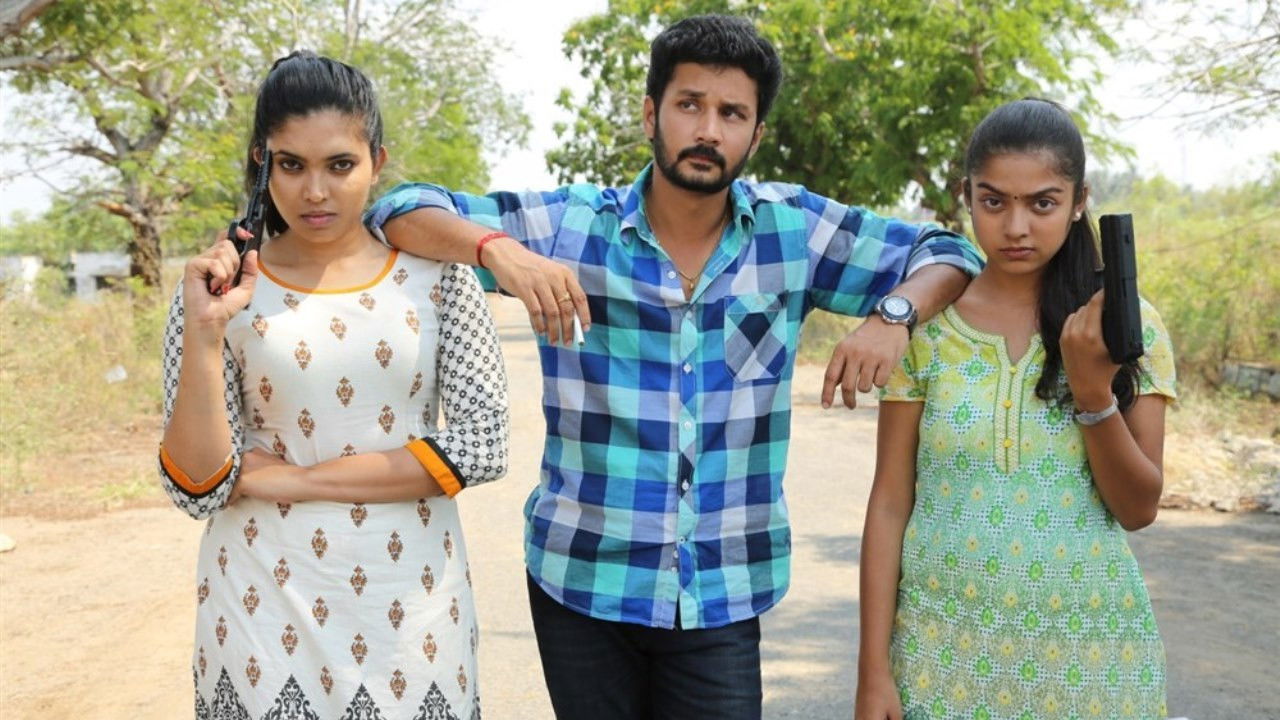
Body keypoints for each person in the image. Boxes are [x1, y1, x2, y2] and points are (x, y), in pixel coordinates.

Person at [361, 14, 983, 719]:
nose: (708, 130)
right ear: (651, 114)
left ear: (756, 134)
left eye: (732, 113)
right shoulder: (573, 228)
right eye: (690, 104)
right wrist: (499, 251)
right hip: (582, 580)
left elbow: (952, 253)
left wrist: (893, 316)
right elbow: (398, 209)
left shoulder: (794, 231)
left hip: (721, 592)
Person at [159, 51, 508, 718]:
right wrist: (205, 332)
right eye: (292, 165)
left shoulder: (439, 277)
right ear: (263, 163)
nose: (314, 191)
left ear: (377, 161)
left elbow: (482, 447)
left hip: (412, 613)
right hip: (259, 610)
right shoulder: (217, 293)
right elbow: (197, 486)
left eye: (339, 165)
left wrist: (289, 478)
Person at [855, 98, 1176, 720]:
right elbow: (890, 503)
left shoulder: (1122, 326)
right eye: (994, 202)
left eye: (1042, 204)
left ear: (1079, 201)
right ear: (966, 197)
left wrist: (1093, 393)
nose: (1016, 227)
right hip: (939, 661)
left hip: (1093, 666)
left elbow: (1139, 509)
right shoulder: (928, 332)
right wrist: (873, 673)